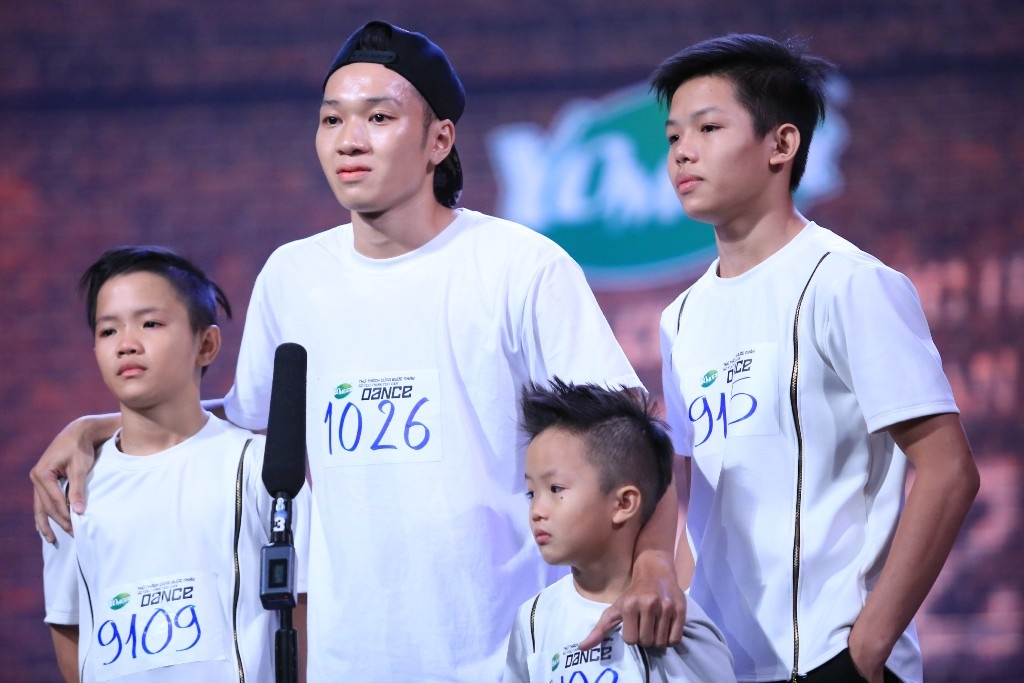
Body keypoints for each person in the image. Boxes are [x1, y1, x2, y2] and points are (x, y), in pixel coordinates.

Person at [32, 21, 686, 681]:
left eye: (378, 117)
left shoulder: (520, 266)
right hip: (347, 658)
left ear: (439, 141)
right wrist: (103, 427)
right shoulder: (293, 276)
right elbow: (252, 426)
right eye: (331, 119)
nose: (349, 139)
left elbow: (632, 433)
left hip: (505, 648)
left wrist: (656, 560)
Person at [652, 34, 979, 683]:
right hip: (723, 669)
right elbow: (703, 517)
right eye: (673, 136)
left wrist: (867, 646)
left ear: (781, 144)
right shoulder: (680, 318)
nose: (683, 151)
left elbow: (949, 471)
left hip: (834, 659)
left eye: (709, 128)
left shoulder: (848, 283)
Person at [41, 246, 309, 682]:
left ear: (206, 344)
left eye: (150, 324)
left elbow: (304, 608)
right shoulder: (73, 485)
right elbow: (69, 626)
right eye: (108, 331)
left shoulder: (262, 466)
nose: (127, 344)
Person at [505, 378, 735, 683]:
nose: (537, 510)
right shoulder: (532, 620)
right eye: (531, 493)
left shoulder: (671, 624)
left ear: (624, 503)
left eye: (555, 489)